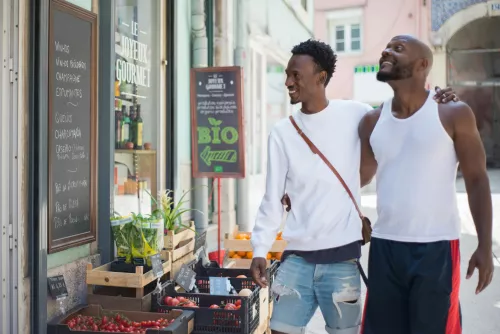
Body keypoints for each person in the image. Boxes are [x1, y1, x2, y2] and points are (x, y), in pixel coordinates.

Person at [249, 39, 457, 334]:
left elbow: (408, 109)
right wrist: (260, 248)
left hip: (342, 261)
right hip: (296, 259)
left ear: (321, 77)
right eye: (287, 74)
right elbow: (271, 199)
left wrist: (439, 97)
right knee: (280, 330)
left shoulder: (357, 114)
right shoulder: (282, 133)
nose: (288, 82)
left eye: (296, 75)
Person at [358, 35, 494, 334]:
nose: (386, 51)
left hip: (437, 247)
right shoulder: (371, 120)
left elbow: (476, 178)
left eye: (398, 48)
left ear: (422, 65)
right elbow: (359, 177)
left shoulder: (453, 113)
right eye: (386, 47)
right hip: (385, 247)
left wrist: (485, 245)